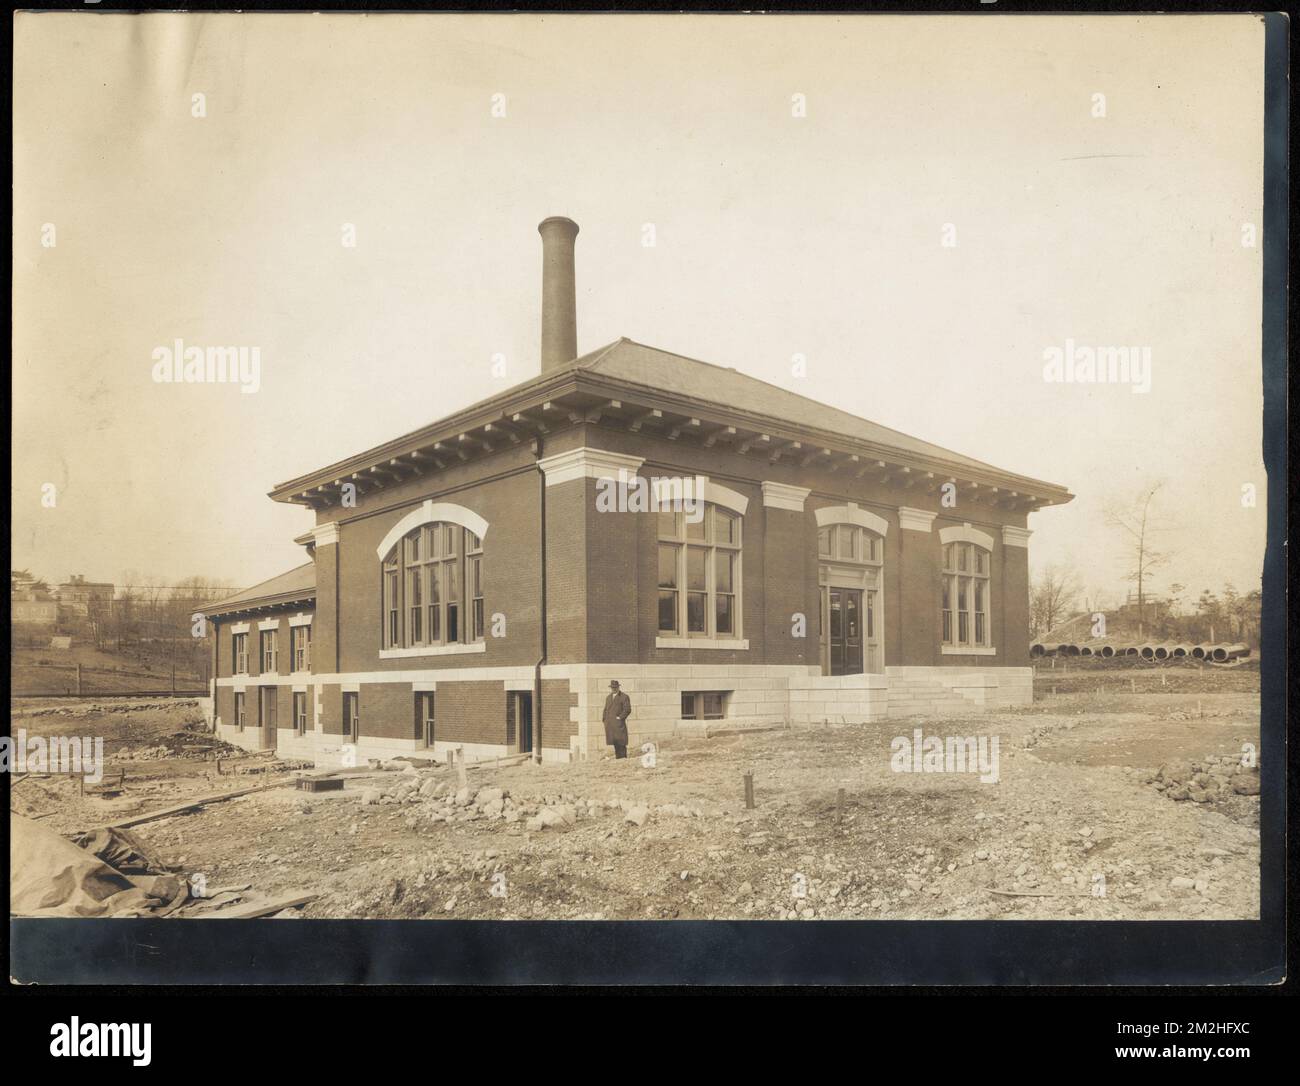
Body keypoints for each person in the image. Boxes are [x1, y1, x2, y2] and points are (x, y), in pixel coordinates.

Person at [602, 679, 632, 759]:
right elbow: (605, 709)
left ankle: (623, 760)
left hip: (619, 724)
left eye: (615, 687)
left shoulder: (624, 697)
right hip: (611, 724)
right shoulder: (608, 698)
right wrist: (605, 719)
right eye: (612, 687)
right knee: (615, 743)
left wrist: (620, 717)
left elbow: (627, 709)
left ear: (618, 687)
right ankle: (618, 759)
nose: (614, 689)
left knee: (621, 743)